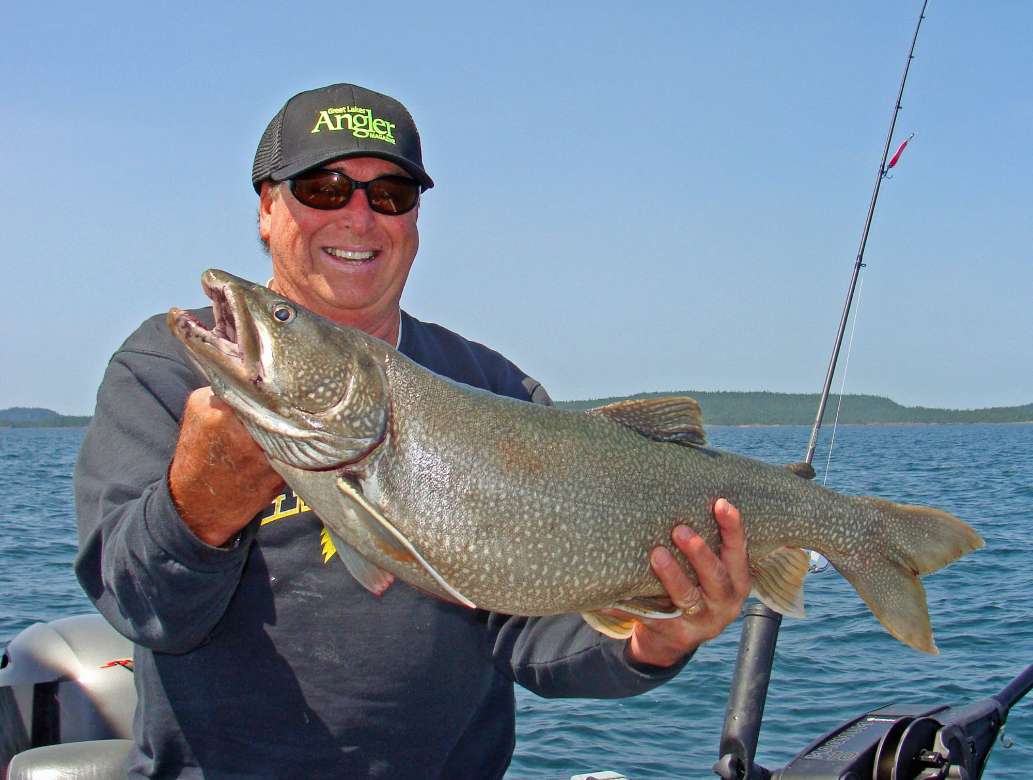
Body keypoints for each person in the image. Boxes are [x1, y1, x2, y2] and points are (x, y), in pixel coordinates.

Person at [75, 83, 751, 779]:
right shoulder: (165, 371)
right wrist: (200, 506)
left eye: (391, 194)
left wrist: (655, 641)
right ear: (267, 211)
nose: (359, 217)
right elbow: (139, 606)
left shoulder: (499, 392)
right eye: (324, 187)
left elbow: (531, 637)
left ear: (414, 221)